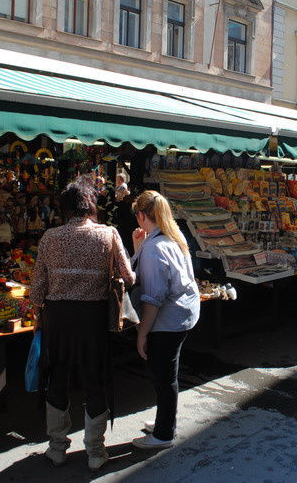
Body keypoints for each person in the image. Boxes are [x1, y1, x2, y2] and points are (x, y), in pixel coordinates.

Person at [30, 180, 135, 470]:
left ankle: (57, 448)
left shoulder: (50, 237)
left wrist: (40, 315)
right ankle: (95, 452)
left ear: (65, 208)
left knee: (56, 379)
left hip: (58, 319)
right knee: (94, 381)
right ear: (90, 205)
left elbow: (37, 289)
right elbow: (129, 277)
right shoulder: (108, 234)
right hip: (92, 319)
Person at [130, 191, 200, 449]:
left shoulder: (155, 248)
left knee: (163, 374)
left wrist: (142, 333)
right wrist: (139, 247)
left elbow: (152, 298)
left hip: (168, 319)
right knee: (167, 372)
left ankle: (163, 434)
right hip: (182, 314)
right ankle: (166, 419)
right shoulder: (172, 236)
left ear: (140, 215)